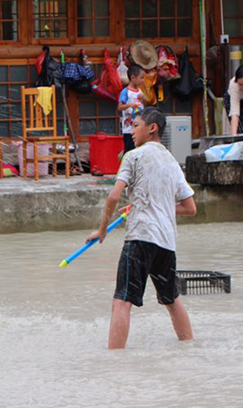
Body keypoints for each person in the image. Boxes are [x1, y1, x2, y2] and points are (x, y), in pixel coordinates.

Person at [86, 107, 197, 349]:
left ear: (152, 128)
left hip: (141, 237)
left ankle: (115, 362)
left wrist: (102, 230)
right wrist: (148, 205)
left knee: (121, 302)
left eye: (136, 125)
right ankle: (190, 349)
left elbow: (114, 197)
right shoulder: (172, 162)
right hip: (166, 241)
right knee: (171, 299)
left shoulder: (133, 156)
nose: (131, 130)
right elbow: (190, 208)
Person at [117, 65, 145, 153]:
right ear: (133, 77)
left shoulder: (139, 91)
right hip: (129, 128)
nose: (142, 80)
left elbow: (144, 104)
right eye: (141, 78)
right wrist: (129, 105)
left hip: (140, 126)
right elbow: (119, 107)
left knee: (139, 150)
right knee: (129, 150)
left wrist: (143, 98)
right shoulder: (126, 92)